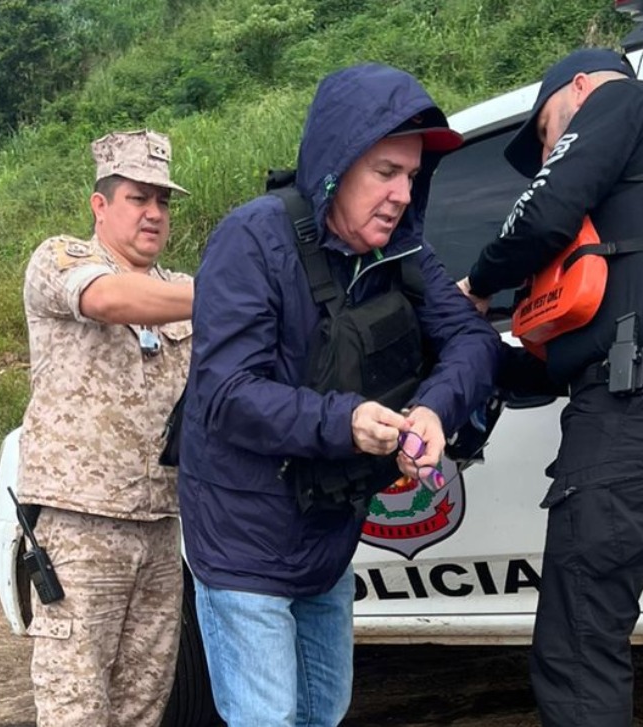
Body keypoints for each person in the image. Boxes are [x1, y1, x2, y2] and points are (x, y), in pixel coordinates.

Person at [179, 63, 500, 727]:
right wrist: (346, 420)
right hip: (242, 534)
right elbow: (226, 393)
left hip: (327, 528)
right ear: (337, 163)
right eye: (386, 171)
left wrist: (433, 412)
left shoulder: (402, 251)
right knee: (268, 717)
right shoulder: (253, 240)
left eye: (412, 176)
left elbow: (473, 341)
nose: (402, 195)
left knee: (324, 712)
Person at [458, 49, 643, 726]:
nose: (550, 150)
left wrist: (478, 284)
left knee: (577, 650)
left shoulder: (623, 102)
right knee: (587, 634)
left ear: (577, 89)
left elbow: (544, 214)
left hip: (633, 411)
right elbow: (564, 367)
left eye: (548, 133)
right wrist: (487, 355)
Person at [18, 128, 195, 727]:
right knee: (76, 706)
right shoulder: (60, 258)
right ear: (101, 204)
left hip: (160, 525)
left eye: (163, 201)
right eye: (137, 198)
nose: (153, 213)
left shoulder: (181, 289)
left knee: (145, 702)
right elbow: (113, 300)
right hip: (79, 525)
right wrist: (234, 291)